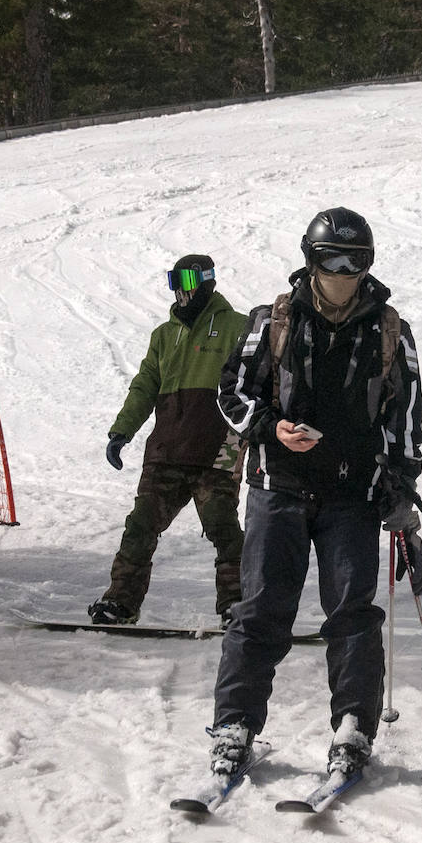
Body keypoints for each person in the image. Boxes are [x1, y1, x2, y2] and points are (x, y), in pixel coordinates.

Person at [206, 207, 422, 785]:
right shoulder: (272, 320)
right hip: (277, 487)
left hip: (352, 494)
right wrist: (267, 428)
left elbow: (405, 418)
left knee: (352, 616)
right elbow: (231, 392)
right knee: (259, 612)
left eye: (355, 262)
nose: (342, 273)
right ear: (309, 259)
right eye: (331, 259)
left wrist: (400, 489)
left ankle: (353, 726)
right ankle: (234, 727)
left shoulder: (389, 330)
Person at [90, 255, 247, 627]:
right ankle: (121, 603)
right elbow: (145, 385)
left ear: (207, 281)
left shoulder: (237, 328)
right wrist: (121, 431)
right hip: (168, 448)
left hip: (220, 446)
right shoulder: (164, 334)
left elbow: (254, 386)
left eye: (187, 279)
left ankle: (237, 604)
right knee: (141, 525)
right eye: (173, 280)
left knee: (222, 525)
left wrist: (251, 436)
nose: (180, 288)